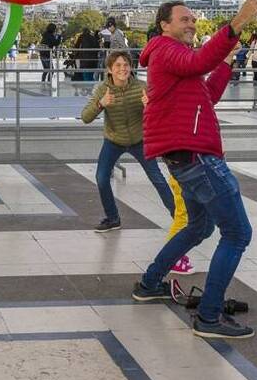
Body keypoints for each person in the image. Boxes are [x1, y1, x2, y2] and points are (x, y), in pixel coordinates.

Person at [131, 0, 257, 340]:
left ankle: (150, 283)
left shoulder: (174, 57)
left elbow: (209, 94)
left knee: (198, 227)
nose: (191, 23)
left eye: (193, 18)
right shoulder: (166, 50)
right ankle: (209, 317)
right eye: (184, 19)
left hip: (185, 157)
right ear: (164, 25)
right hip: (197, 156)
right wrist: (238, 22)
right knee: (237, 234)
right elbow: (198, 63)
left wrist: (225, 61)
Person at [82, 50, 195, 273]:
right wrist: (101, 104)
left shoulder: (142, 87)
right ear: (109, 70)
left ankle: (179, 220)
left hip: (140, 141)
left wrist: (150, 105)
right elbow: (85, 117)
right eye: (118, 66)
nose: (122, 69)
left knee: (158, 179)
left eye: (126, 65)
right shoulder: (102, 89)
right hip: (113, 141)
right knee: (101, 178)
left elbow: (163, 111)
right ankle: (113, 218)